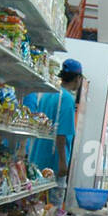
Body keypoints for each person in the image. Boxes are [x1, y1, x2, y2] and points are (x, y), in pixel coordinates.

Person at [25, 58, 83, 205]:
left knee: (34, 205)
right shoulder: (67, 99)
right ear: (78, 78)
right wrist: (63, 163)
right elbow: (61, 134)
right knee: (51, 209)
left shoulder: (48, 93)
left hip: (37, 158)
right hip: (53, 162)